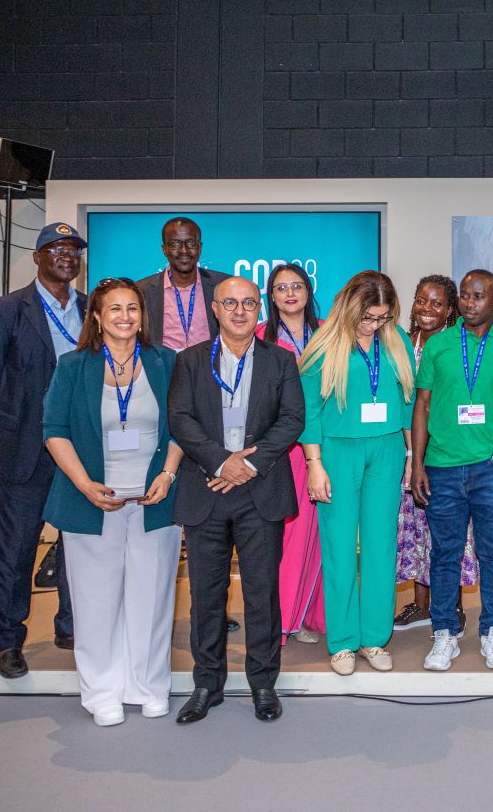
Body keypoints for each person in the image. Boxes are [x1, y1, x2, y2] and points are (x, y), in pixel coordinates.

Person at [41, 278, 182, 726]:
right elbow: (54, 431)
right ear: (97, 317)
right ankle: (102, 690)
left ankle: (149, 684)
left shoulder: (165, 362)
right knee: (95, 599)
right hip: (91, 501)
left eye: (133, 309)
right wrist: (84, 484)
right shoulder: (73, 365)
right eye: (115, 309)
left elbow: (183, 425)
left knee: (152, 598)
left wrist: (168, 473)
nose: (125, 316)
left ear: (143, 316)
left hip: (154, 498)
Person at [168, 276, 305, 724]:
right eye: (231, 303)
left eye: (249, 303)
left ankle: (263, 683)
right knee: (207, 594)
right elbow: (180, 419)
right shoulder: (189, 361)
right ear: (215, 308)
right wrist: (219, 461)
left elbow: (292, 420)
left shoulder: (281, 361)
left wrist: (247, 464)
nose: (240, 311)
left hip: (260, 490)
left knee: (262, 593)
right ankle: (207, 684)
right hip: (206, 488)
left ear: (259, 310)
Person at [412, 270, 493, 672]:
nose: (470, 303)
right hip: (442, 466)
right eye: (465, 296)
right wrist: (416, 463)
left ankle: (492, 632)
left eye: (479, 296)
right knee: (445, 554)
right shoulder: (439, 344)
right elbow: (423, 405)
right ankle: (445, 634)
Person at [0, 221, 83, 679]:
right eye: (55, 248)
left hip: (81, 449)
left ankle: (71, 625)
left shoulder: (94, 308)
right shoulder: (3, 309)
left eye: (73, 249)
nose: (65, 255)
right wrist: (30, 410)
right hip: (27, 448)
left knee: (79, 544)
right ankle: (8, 640)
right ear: (37, 257)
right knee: (16, 548)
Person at [299, 272, 416, 675]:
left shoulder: (397, 341)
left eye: (382, 318)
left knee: (382, 546)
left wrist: (413, 455)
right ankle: (344, 642)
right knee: (340, 547)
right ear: (350, 308)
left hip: (386, 450)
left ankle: (374, 637)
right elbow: (309, 412)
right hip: (337, 450)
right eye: (368, 317)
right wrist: (315, 465)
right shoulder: (323, 345)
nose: (374, 325)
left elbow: (407, 402)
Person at [394, 275, 478, 634]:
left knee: (448, 531)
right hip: (402, 453)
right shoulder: (399, 342)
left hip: (441, 453)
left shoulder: (456, 346)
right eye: (421, 301)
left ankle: (452, 606)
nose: (427, 310)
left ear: (451, 309)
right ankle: (421, 605)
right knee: (415, 529)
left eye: (437, 304)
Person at [257, 263, 325, 646]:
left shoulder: (329, 331)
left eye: (296, 286)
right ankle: (284, 617)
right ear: (272, 295)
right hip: (284, 447)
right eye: (281, 288)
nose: (290, 294)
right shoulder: (260, 336)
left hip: (323, 441)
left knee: (323, 533)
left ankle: (311, 614)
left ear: (308, 290)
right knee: (290, 534)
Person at [135, 217, 230, 351]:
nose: (184, 250)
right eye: (175, 244)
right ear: (164, 249)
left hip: (210, 368)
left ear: (200, 247)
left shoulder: (224, 285)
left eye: (191, 243)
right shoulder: (141, 290)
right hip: (164, 369)